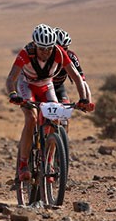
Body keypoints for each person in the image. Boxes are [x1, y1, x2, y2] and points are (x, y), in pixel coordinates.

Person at [5, 23, 93, 182]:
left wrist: (83, 99)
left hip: (46, 86)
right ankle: (23, 164)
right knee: (31, 118)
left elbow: (77, 78)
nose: (45, 53)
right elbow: (11, 78)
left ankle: (49, 161)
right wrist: (13, 94)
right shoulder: (26, 52)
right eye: (41, 49)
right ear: (35, 45)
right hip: (27, 86)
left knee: (56, 117)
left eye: (49, 49)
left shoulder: (59, 53)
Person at [51, 28, 91, 106]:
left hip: (59, 88)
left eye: (64, 48)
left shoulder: (71, 57)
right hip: (43, 88)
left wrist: (88, 102)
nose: (61, 52)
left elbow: (82, 81)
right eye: (58, 49)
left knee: (63, 114)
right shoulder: (44, 58)